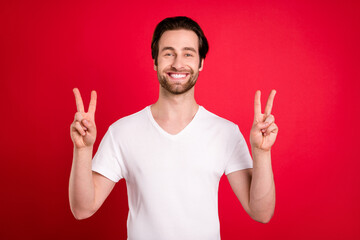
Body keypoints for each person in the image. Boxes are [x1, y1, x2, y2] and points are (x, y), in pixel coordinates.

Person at [69, 16, 278, 240]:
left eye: (188, 53)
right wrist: (82, 150)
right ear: (155, 62)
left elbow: (261, 213)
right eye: (168, 53)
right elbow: (82, 209)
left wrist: (262, 153)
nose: (178, 63)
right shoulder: (122, 131)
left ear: (200, 63)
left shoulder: (226, 132)